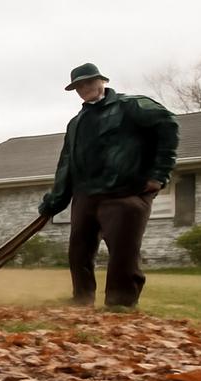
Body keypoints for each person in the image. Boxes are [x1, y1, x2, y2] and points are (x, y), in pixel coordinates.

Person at [38, 62, 179, 309]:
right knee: (79, 251)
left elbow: (168, 126)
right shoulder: (76, 123)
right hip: (86, 194)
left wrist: (159, 174)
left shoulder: (132, 106)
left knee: (123, 252)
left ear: (102, 80)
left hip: (125, 193)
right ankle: (81, 299)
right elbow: (67, 163)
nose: (85, 88)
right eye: (79, 86)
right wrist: (56, 200)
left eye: (89, 82)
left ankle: (121, 304)